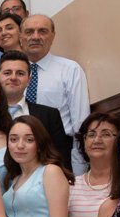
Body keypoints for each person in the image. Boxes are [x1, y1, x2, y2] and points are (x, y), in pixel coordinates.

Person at [19, 14, 92, 174]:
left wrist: (78, 169)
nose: (35, 37)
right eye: (29, 32)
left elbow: (80, 123)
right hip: (19, 151)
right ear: (21, 37)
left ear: (53, 36)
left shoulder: (70, 69)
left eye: (42, 31)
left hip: (58, 150)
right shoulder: (12, 74)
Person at [0, 50, 73, 167]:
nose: (13, 77)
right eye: (7, 73)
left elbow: (61, 160)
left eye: (20, 73)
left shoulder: (49, 115)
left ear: (29, 80)